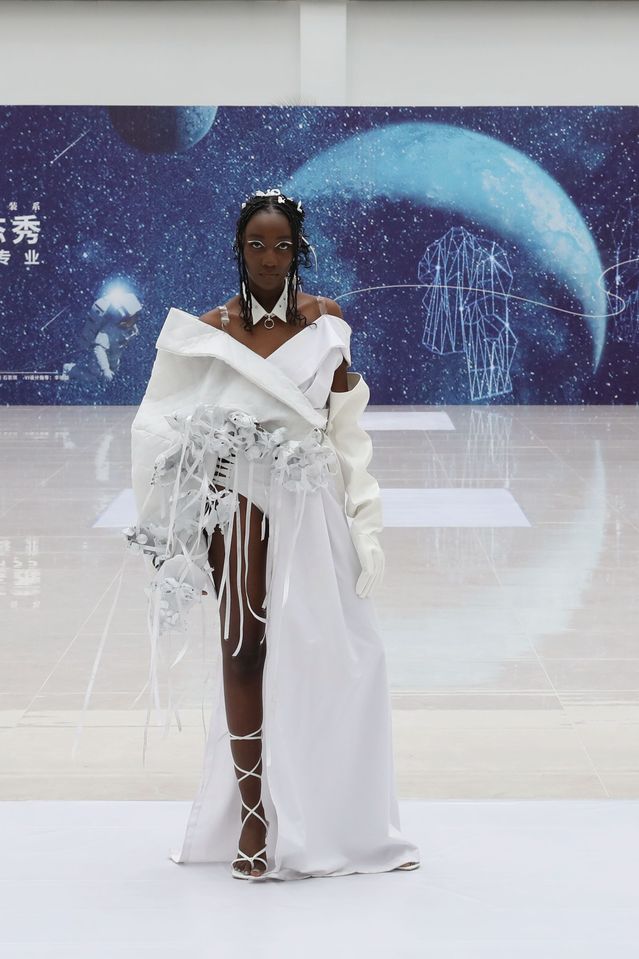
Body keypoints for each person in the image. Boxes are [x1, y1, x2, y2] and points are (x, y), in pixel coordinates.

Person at [127, 188, 420, 881]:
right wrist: (175, 525)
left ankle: (329, 814)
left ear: (298, 250)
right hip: (238, 499)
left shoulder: (328, 322)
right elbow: (164, 421)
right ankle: (253, 814)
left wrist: (366, 521)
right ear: (239, 248)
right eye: (256, 245)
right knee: (243, 645)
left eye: (281, 245)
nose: (268, 258)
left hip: (310, 504)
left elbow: (346, 429)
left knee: (331, 651)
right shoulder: (211, 330)